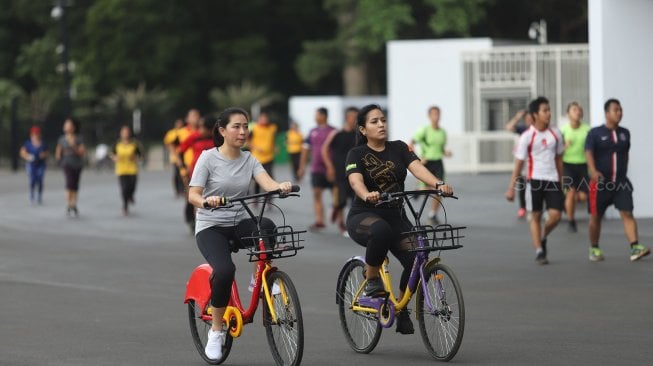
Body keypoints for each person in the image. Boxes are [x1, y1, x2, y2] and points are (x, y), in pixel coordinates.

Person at [187, 107, 292, 360]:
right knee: (224, 271)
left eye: (246, 126)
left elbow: (267, 183)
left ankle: (260, 277)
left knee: (266, 226)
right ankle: (216, 329)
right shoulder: (208, 158)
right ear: (222, 130)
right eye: (236, 126)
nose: (243, 131)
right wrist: (205, 202)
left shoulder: (249, 159)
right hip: (211, 226)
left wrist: (280, 187)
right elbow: (192, 194)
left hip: (237, 222)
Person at [345, 104, 453, 335]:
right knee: (381, 231)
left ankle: (402, 307)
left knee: (417, 257)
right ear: (363, 129)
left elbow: (417, 168)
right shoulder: (357, 154)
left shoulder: (399, 147)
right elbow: (356, 181)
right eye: (374, 121)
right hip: (364, 215)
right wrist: (366, 194)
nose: (381, 124)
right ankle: (372, 279)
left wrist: (437, 184)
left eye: (383, 120)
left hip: (397, 216)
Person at [584, 99, 650, 262]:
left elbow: (625, 155)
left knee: (627, 212)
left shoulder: (625, 133)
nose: (619, 113)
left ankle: (635, 247)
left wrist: (623, 173)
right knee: (596, 217)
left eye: (621, 110)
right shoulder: (595, 133)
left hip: (620, 182)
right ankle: (594, 248)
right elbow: (588, 153)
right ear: (607, 113)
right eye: (616, 110)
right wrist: (593, 171)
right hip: (600, 184)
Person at [505, 97, 564, 265]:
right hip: (533, 180)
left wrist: (562, 181)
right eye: (545, 110)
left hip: (552, 179)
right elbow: (518, 165)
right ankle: (539, 250)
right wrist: (511, 188)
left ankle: (543, 236)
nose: (549, 113)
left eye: (549, 109)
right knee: (535, 216)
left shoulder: (556, 133)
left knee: (556, 215)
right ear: (535, 114)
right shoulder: (527, 136)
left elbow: (559, 159)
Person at [409, 106, 452, 224]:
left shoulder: (442, 132)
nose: (436, 117)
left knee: (440, 189)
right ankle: (419, 189)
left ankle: (432, 214)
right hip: (426, 163)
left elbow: (440, 149)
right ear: (429, 116)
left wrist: (446, 152)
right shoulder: (424, 130)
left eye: (438, 114)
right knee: (426, 190)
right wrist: (417, 158)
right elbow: (411, 143)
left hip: (438, 163)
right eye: (433, 114)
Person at [297, 107, 336, 231]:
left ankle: (339, 218)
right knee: (316, 194)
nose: (315, 118)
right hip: (316, 169)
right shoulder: (312, 131)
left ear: (323, 116)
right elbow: (305, 150)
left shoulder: (334, 131)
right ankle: (319, 221)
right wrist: (301, 167)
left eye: (317, 115)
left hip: (332, 168)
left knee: (337, 195)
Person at [322, 106, 358, 236]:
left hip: (355, 172)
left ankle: (348, 225)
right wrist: (329, 167)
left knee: (354, 200)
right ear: (347, 118)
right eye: (352, 117)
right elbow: (324, 149)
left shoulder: (359, 135)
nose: (354, 120)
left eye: (356, 117)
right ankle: (337, 211)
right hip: (339, 171)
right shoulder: (336, 133)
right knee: (342, 200)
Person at [560, 102, 590, 233]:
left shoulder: (588, 129)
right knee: (571, 192)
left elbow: (593, 148)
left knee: (583, 197)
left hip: (583, 165)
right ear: (568, 114)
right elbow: (556, 151)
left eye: (579, 110)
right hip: (568, 165)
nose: (577, 112)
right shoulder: (563, 130)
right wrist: (563, 147)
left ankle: (566, 201)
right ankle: (571, 221)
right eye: (574, 110)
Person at [505, 109, 534, 218]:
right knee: (522, 183)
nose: (529, 121)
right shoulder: (523, 129)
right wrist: (517, 117)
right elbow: (508, 127)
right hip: (523, 161)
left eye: (531, 118)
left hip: (534, 161)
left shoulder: (538, 130)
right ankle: (523, 207)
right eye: (527, 119)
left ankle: (540, 208)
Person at [55, 117, 86, 217]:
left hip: (77, 164)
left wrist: (73, 146)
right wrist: (59, 158)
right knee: (69, 183)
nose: (66, 127)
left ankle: (74, 204)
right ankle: (69, 204)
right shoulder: (62, 139)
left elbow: (82, 152)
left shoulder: (78, 138)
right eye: (65, 125)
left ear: (73, 127)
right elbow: (58, 152)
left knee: (75, 185)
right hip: (67, 163)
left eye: (68, 125)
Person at [177, 109, 201, 231]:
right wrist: (182, 166)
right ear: (187, 119)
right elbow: (176, 149)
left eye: (197, 115)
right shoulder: (181, 132)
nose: (195, 118)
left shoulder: (203, 132)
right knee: (190, 195)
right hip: (188, 169)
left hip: (202, 168)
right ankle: (191, 219)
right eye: (193, 116)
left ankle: (199, 220)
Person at [110, 125, 142, 215]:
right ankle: (125, 205)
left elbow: (140, 155)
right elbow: (111, 154)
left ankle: (131, 196)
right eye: (123, 132)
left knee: (132, 186)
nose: (125, 134)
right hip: (121, 170)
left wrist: (136, 158)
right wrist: (114, 158)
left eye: (127, 132)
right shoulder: (117, 144)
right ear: (121, 134)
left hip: (132, 169)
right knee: (124, 188)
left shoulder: (134, 144)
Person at [249, 112, 278, 194]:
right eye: (262, 118)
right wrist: (256, 148)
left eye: (265, 118)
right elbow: (248, 141)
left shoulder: (272, 128)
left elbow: (272, 140)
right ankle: (256, 197)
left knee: (270, 177)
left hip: (269, 156)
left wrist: (274, 147)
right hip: (257, 157)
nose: (264, 120)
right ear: (258, 119)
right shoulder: (254, 128)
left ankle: (269, 198)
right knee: (257, 178)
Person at [20, 126, 48, 204]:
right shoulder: (28, 143)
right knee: (32, 180)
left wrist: (43, 155)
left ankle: (39, 195)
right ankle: (32, 194)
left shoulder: (42, 143)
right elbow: (22, 152)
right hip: (31, 164)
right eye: (34, 133)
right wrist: (28, 157)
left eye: (37, 133)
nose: (35, 135)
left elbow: (46, 152)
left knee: (40, 179)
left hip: (40, 164)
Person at [163, 118, 185, 197]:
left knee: (183, 173)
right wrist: (171, 150)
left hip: (184, 155)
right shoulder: (171, 133)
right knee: (177, 173)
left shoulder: (184, 131)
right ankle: (178, 189)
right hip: (174, 156)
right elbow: (167, 143)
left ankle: (183, 189)